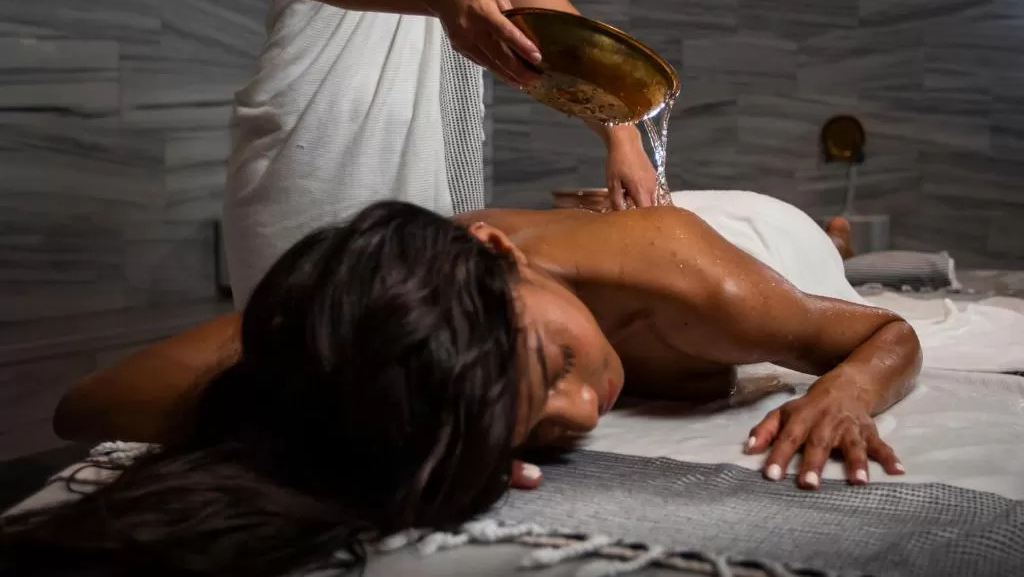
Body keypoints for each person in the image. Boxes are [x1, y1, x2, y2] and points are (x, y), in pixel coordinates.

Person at [1, 192, 921, 577]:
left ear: (499, 253)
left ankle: (834, 229)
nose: (580, 412)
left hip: (751, 233)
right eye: (535, 424)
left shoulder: (703, 292)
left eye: (555, 366)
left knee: (823, 250)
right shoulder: (407, 301)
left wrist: (843, 391)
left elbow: (886, 333)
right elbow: (90, 404)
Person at [223, 0, 657, 307]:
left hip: (427, 172)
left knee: (423, 344)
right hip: (311, 146)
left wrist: (623, 136)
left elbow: (560, 40)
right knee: (292, 342)